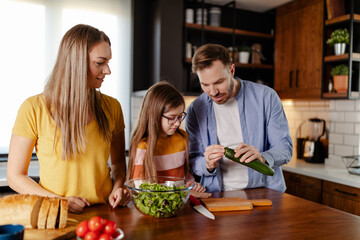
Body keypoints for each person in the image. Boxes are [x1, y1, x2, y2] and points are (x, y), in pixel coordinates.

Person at [7, 24, 130, 213]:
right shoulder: (33, 108)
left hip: (105, 212)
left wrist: (117, 187)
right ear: (76, 62)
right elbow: (15, 176)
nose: (108, 71)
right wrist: (60, 201)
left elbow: (118, 163)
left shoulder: (112, 107)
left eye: (109, 62)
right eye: (100, 63)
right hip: (55, 213)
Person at [185, 43, 292, 193]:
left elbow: (285, 148)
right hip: (217, 195)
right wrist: (207, 164)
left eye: (218, 82)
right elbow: (191, 160)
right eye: (205, 85)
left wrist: (263, 157)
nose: (213, 92)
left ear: (232, 70)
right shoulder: (196, 110)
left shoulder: (266, 97)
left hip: (264, 192)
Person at [127, 81, 211, 198]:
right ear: (155, 116)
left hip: (178, 205)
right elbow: (141, 190)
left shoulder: (182, 138)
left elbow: (184, 177)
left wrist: (192, 185)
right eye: (171, 118)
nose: (177, 123)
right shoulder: (143, 147)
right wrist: (184, 192)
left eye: (180, 116)